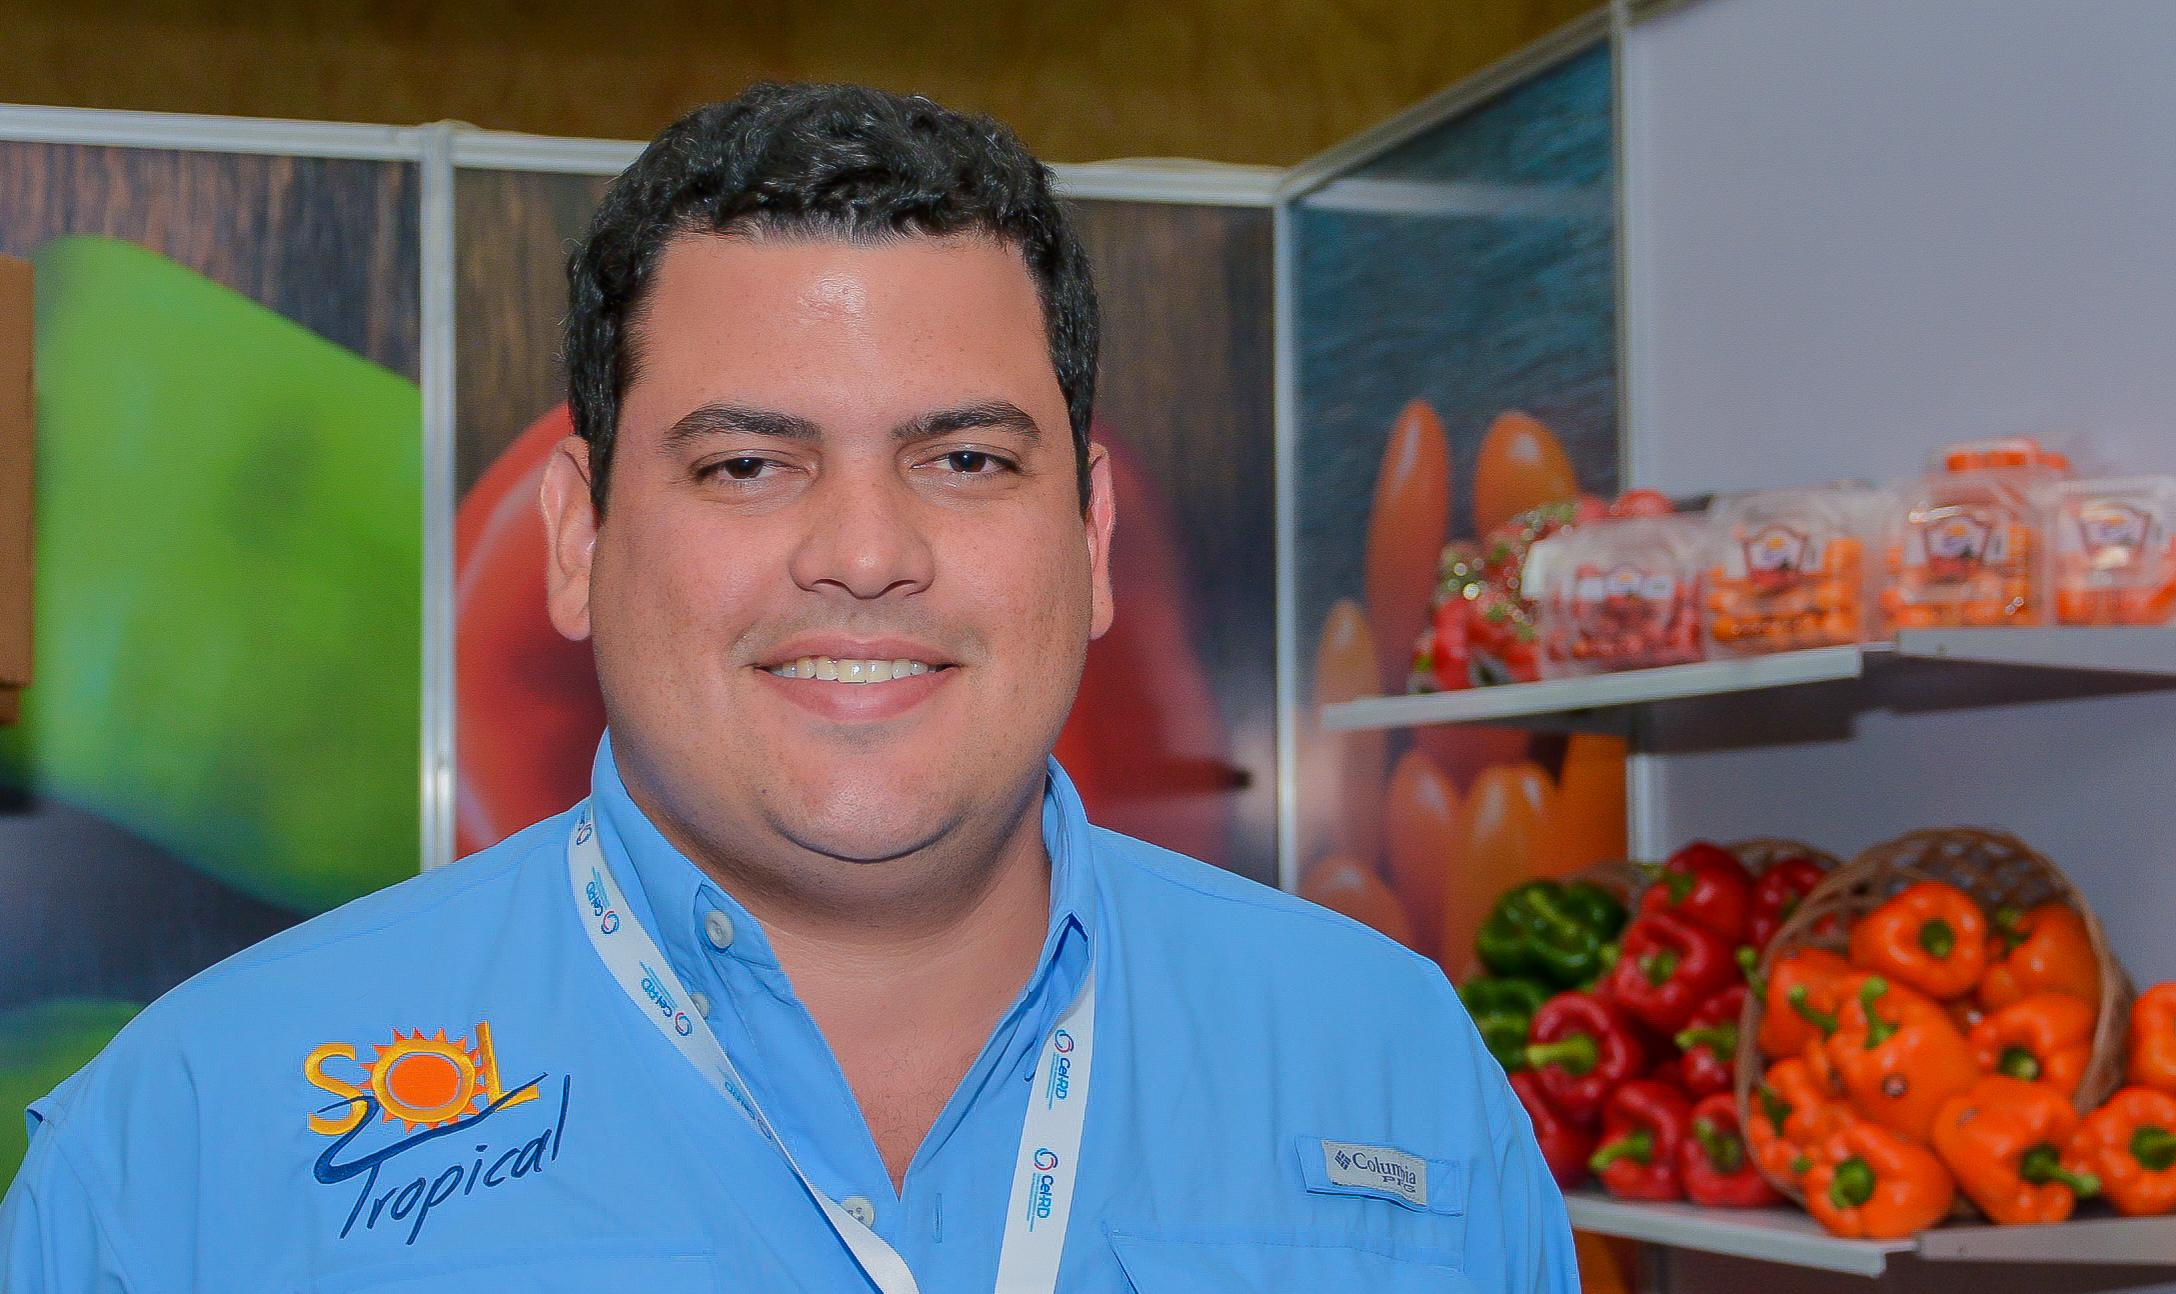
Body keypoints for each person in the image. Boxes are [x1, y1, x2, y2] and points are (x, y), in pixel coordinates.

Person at [0, 83, 1576, 1292]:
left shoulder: (1393, 1068)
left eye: (966, 459)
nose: (867, 553)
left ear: (1093, 539)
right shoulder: (191, 1145)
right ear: (577, 541)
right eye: (747, 464)